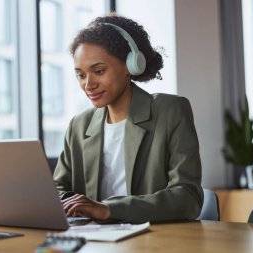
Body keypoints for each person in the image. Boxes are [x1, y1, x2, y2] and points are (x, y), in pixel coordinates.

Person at [53, 13, 203, 223]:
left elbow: (187, 197)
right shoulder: (79, 125)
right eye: (81, 74)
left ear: (130, 66)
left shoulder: (170, 111)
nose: (88, 84)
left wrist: (108, 209)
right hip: (94, 240)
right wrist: (75, 205)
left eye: (98, 71)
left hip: (153, 239)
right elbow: (57, 189)